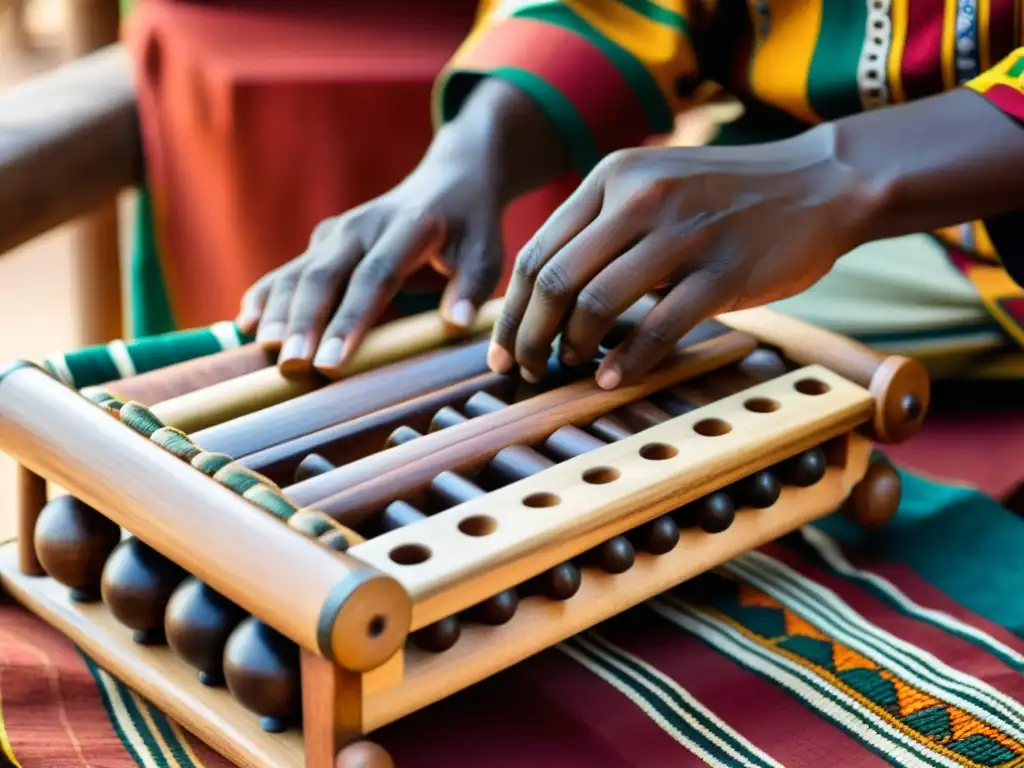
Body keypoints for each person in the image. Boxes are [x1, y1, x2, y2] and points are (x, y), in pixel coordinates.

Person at [235, 0, 1024, 387]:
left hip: (987, 216)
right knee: (546, 320)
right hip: (782, 155)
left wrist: (834, 176)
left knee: (612, 342)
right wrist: (467, 152)